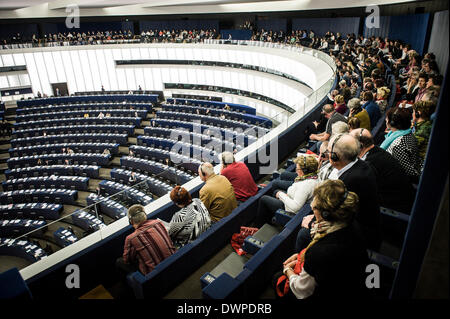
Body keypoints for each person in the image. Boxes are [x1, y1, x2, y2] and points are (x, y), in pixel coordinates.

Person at [273, 179, 369, 299]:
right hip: (348, 281)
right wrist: (300, 256)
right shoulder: (352, 224)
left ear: (325, 214)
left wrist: (287, 270)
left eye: (314, 207)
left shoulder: (320, 252)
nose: (312, 206)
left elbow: (301, 291)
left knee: (277, 278)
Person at [295, 134, 381, 252]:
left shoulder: (347, 182)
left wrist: (312, 223)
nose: (326, 155)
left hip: (356, 236)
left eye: (329, 152)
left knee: (303, 234)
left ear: (335, 157)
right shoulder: (362, 166)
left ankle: (303, 264)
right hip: (365, 227)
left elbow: (338, 218)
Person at [351, 128, 415, 213]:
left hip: (392, 210)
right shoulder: (376, 152)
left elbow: (363, 193)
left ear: (360, 145)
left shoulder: (371, 164)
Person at [254, 155, 319, 228]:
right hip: (293, 199)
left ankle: (257, 226)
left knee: (264, 199)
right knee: (276, 191)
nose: (296, 171)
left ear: (304, 171)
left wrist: (281, 195)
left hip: (290, 210)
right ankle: (270, 219)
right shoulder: (313, 177)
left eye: (297, 169)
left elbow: (295, 207)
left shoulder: (306, 185)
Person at [116, 204, 176, 275]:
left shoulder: (131, 238)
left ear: (131, 221)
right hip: (174, 262)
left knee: (119, 261)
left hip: (155, 275)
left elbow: (127, 260)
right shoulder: (158, 223)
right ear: (145, 216)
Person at [381, 107, 422, 183]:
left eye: (387, 119)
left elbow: (408, 173)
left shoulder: (397, 146)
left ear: (392, 123)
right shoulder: (407, 133)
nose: (385, 120)